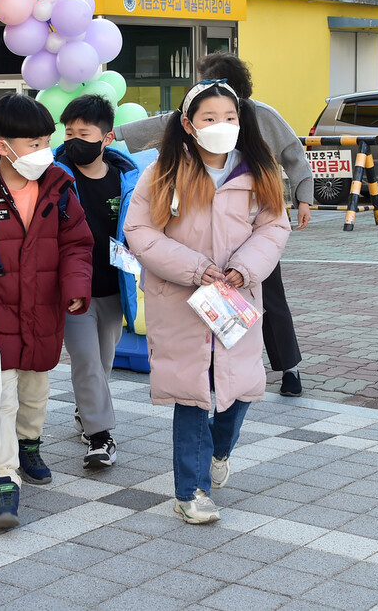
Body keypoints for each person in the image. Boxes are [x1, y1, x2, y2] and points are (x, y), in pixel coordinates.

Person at [124, 80, 290, 524]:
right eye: (210, 118)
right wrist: (195, 268)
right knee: (192, 393)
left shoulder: (260, 170)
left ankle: (218, 449)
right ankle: (190, 491)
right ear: (188, 124)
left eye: (230, 118)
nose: (222, 126)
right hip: (181, 300)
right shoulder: (163, 171)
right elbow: (139, 232)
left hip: (235, 299)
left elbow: (274, 228)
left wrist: (244, 268)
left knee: (240, 389)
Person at [115, 51, 312, 397]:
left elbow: (292, 152)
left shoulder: (262, 115)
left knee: (269, 299)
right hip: (200, 233)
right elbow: (163, 123)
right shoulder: (193, 118)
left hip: (249, 230)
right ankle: (208, 380)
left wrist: (303, 195)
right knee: (196, 305)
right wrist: (116, 132)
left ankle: (288, 368)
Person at [0, 93, 93, 529]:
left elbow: (77, 244)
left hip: (43, 312)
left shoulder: (59, 187)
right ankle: (1, 478)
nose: (43, 149)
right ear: (2, 145)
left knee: (34, 393)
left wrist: (76, 284)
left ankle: (29, 445)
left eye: (46, 139)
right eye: (32, 142)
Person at [53, 94, 140, 470]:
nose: (73, 140)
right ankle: (101, 437)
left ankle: (85, 412)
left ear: (105, 139)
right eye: (68, 132)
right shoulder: (54, 177)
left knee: (102, 361)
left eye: (83, 133)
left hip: (113, 287)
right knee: (86, 360)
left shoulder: (128, 179)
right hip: (73, 291)